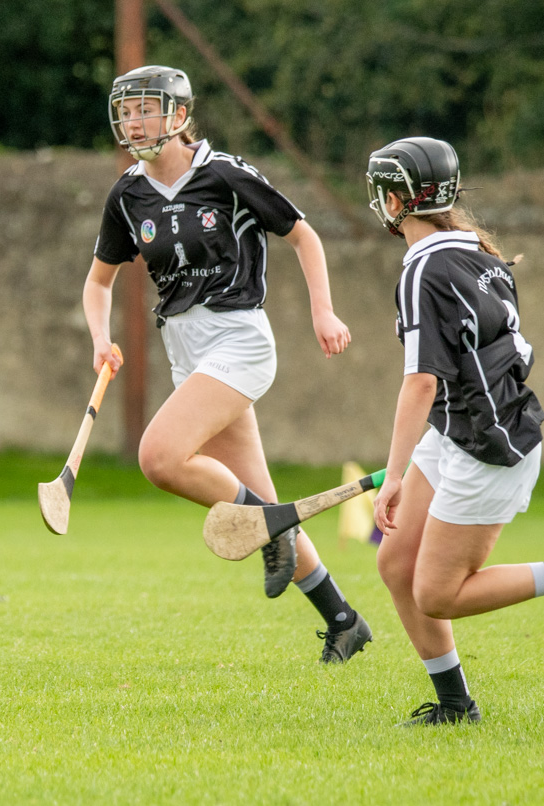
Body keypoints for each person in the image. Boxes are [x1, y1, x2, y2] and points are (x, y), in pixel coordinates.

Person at [83, 65, 371, 662]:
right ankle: (343, 621)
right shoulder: (127, 193)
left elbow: (304, 236)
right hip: (184, 350)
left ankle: (266, 527)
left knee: (159, 459)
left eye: (146, 108)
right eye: (126, 111)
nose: (133, 121)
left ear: (179, 115)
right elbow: (98, 282)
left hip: (237, 340)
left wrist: (324, 311)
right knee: (263, 497)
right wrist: (98, 337)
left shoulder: (225, 173)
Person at [367, 137, 543, 725]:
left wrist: (393, 476)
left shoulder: (426, 267)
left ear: (395, 200)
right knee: (395, 564)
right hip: (457, 431)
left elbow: (420, 382)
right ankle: (454, 705)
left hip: (487, 447)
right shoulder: (474, 252)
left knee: (438, 592)